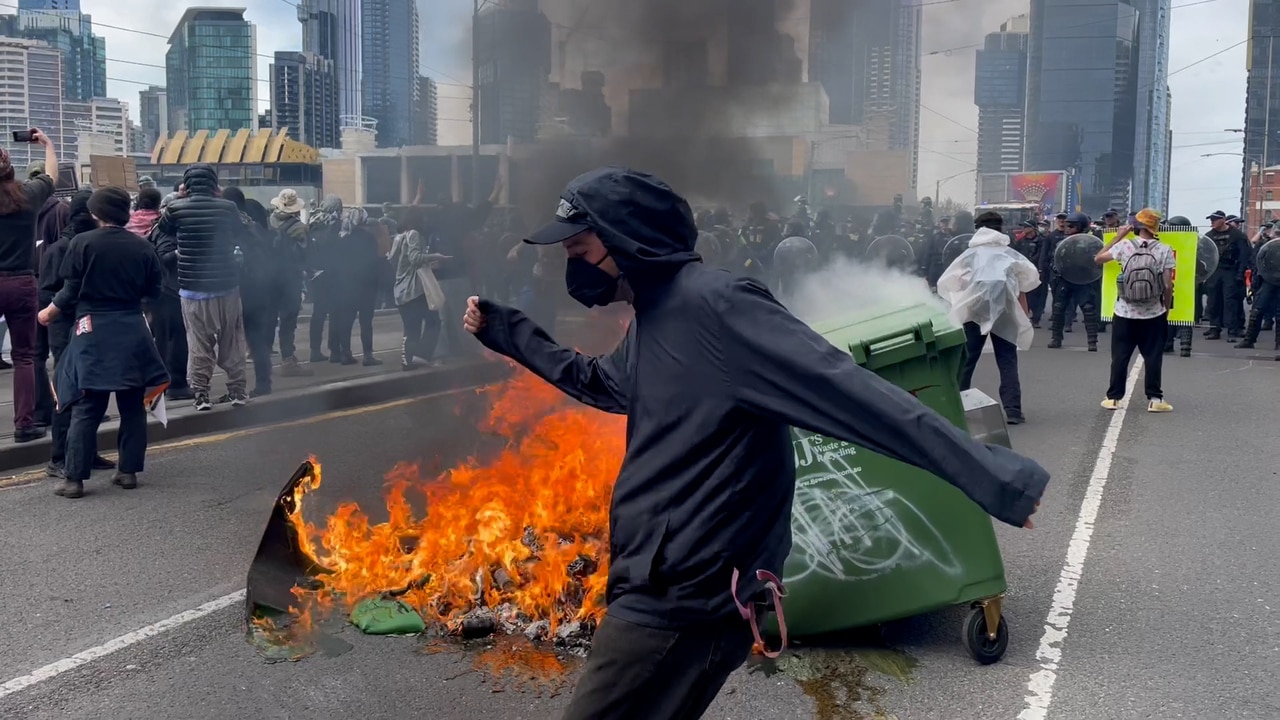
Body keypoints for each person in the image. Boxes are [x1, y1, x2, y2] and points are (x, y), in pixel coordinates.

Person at [461, 167, 1048, 719]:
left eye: (580, 252)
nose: (574, 271)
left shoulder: (720, 309)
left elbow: (856, 396)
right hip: (658, 578)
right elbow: (602, 384)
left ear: (626, 242)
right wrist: (507, 331)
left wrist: (994, 477)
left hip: (687, 594)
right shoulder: (655, 317)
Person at [38, 187, 167, 499]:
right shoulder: (142, 246)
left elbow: (69, 292)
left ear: (95, 213)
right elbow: (155, 290)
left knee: (87, 406)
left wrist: (48, 313)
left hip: (93, 330)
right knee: (132, 405)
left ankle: (74, 479)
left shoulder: (82, 243)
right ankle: (128, 472)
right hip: (132, 328)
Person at [153, 164, 248, 411]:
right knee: (232, 340)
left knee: (198, 343)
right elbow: (241, 231)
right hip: (227, 286)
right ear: (214, 184)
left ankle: (202, 395)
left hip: (192, 288)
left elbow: (159, 232)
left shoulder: (175, 208)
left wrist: (182, 198)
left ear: (186, 184)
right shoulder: (228, 208)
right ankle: (237, 390)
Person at [37, 188, 114, 478]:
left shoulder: (58, 247)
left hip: (65, 328)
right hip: (81, 326)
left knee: (71, 394)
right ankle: (62, 456)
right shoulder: (89, 244)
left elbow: (44, 292)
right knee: (79, 393)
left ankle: (79, 454)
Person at [938, 211, 1040, 425]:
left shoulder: (970, 255)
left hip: (975, 313)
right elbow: (1027, 280)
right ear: (1000, 228)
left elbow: (950, 281)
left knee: (967, 360)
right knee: (1007, 359)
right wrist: (1024, 311)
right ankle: (1013, 411)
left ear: (978, 229)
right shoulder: (1009, 253)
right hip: (1005, 311)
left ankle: (957, 407)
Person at [0, 132, 58, 442]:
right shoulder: (27, 195)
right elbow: (51, 176)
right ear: (9, 169)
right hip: (22, 282)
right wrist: (47, 145)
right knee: (24, 355)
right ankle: (24, 424)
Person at [1095, 209, 1176, 413]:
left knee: (1120, 355)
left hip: (1124, 311)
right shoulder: (1165, 249)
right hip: (1153, 313)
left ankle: (1113, 398)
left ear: (1136, 226)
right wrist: (1165, 309)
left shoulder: (1124, 246)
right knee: (1153, 356)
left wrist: (1118, 236)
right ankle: (1155, 399)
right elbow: (1168, 285)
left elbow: (1098, 258)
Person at [387, 206, 448, 369]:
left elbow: (398, 261)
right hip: (413, 290)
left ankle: (412, 359)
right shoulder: (414, 234)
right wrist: (435, 256)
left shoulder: (399, 237)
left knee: (413, 326)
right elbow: (414, 258)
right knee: (431, 322)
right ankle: (415, 358)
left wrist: (426, 262)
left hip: (401, 289)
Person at [331, 208, 383, 366]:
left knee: (346, 321)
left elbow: (337, 264)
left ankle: (345, 353)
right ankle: (368, 355)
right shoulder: (369, 238)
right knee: (366, 322)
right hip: (366, 286)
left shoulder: (343, 239)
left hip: (347, 287)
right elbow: (375, 262)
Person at [1047, 212, 1101, 351]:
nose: (1067, 228)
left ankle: (1092, 341)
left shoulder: (1090, 242)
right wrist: (1056, 269)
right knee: (1058, 309)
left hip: (1084, 278)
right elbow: (1055, 259)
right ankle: (1056, 338)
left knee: (1088, 309)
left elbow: (1097, 260)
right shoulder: (1062, 243)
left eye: (1071, 226)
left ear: (1081, 226)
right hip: (1065, 278)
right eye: (1067, 225)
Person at [1202, 210, 1251, 341]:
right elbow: (1203, 255)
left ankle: (1232, 331)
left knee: (1230, 301)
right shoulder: (1209, 236)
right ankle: (1214, 329)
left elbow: (1244, 255)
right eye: (1211, 219)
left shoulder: (1237, 235)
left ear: (1223, 219)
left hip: (1231, 270)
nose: (1212, 222)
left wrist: (1240, 273)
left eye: (1214, 219)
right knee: (1213, 301)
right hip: (1214, 271)